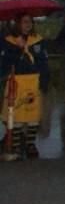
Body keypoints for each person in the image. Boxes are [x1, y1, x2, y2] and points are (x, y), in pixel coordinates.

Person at [3, 14, 49, 160]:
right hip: (16, 81)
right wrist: (18, 48)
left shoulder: (38, 40)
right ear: (18, 24)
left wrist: (45, 80)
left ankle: (30, 143)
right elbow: (4, 63)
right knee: (16, 114)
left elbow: (43, 61)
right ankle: (15, 145)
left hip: (34, 80)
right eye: (25, 22)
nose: (28, 25)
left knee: (32, 114)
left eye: (30, 22)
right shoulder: (8, 41)